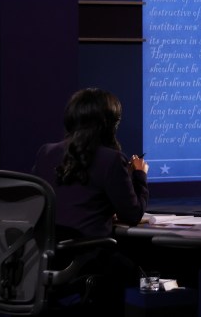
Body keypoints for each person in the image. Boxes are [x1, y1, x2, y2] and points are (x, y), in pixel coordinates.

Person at [32, 87, 149, 311]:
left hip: (45, 259)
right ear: (110, 124)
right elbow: (132, 214)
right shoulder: (112, 159)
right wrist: (140, 175)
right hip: (88, 258)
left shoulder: (46, 152)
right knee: (143, 275)